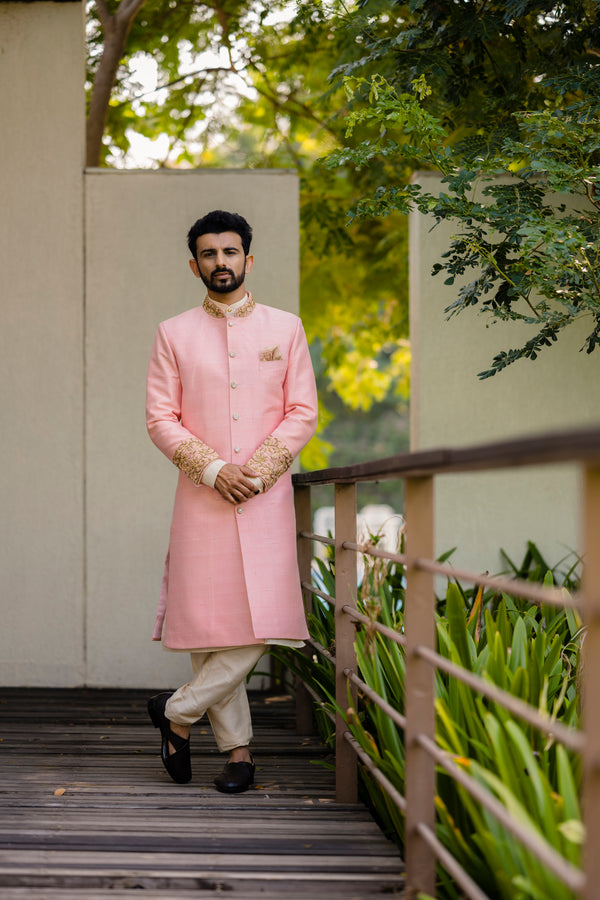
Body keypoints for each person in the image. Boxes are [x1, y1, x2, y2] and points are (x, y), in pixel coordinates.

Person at [145, 210, 318, 793]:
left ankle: (176, 712)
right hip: (202, 498)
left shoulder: (285, 327)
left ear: (249, 258)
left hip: (265, 499)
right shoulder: (174, 333)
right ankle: (240, 756)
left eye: (231, 251)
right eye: (209, 254)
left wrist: (259, 472)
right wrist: (216, 470)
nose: (221, 262)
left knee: (263, 620)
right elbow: (160, 419)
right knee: (210, 628)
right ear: (194, 264)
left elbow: (303, 412)